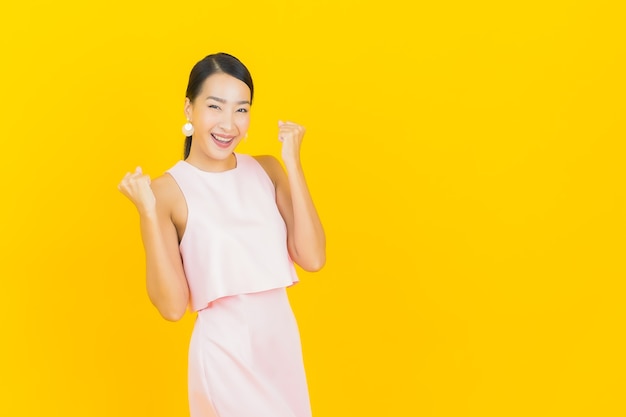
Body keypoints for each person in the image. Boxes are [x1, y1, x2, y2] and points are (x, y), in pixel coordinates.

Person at [118, 52, 326, 417]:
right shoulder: (166, 191)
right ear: (189, 109)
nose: (229, 124)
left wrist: (293, 164)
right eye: (215, 107)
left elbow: (312, 258)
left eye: (241, 110)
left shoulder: (267, 169)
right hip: (225, 356)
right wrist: (148, 212)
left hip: (282, 350)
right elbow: (171, 307)